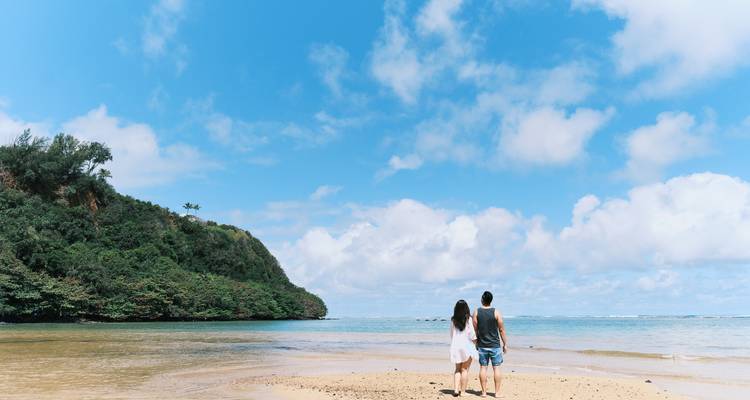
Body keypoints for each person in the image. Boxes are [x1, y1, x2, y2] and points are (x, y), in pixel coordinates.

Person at [472, 291, 508, 398]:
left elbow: (475, 329)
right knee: (496, 368)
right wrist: (505, 344)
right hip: (495, 345)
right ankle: (497, 393)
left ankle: (484, 393)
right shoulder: (496, 312)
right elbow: (501, 330)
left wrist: (476, 342)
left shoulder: (476, 312)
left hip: (482, 345)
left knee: (483, 368)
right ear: (491, 300)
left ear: (482, 299)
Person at [449, 299, 478, 397]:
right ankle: (463, 392)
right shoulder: (468, 319)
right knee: (464, 369)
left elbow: (452, 334)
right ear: (466, 308)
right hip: (467, 347)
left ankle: (456, 390)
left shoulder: (453, 320)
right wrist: (476, 343)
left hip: (456, 346)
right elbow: (472, 335)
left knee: (457, 369)